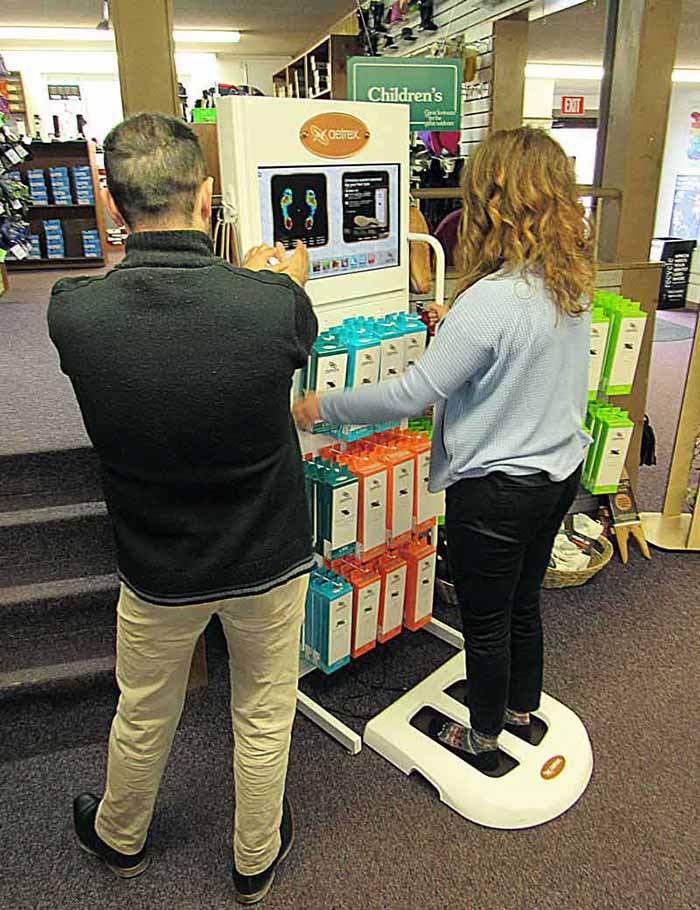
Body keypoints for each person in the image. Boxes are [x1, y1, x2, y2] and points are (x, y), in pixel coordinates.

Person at [47, 112, 317, 905]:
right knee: (265, 711)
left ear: (111, 204)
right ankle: (254, 858)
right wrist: (279, 280)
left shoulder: (73, 312)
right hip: (268, 551)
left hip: (157, 563)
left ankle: (120, 836)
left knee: (144, 710)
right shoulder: (271, 306)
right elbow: (281, 331)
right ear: (208, 197)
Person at [294, 127, 594, 773]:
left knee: (486, 622)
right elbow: (518, 363)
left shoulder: (490, 301)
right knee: (523, 602)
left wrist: (324, 407)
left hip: (496, 491)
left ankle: (482, 737)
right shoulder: (569, 282)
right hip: (557, 475)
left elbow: (410, 395)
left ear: (491, 199)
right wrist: (448, 329)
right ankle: (518, 708)